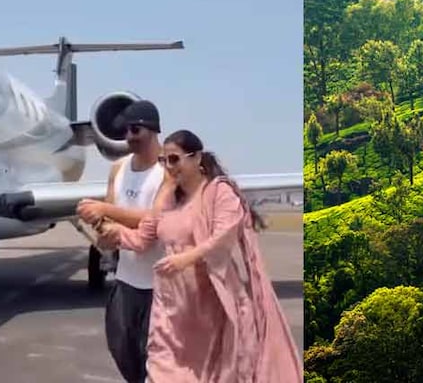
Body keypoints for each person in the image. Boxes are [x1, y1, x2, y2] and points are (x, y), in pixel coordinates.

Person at [100, 129, 302, 382]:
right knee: (161, 371)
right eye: (163, 161)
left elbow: (223, 235)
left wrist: (187, 258)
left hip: (213, 310)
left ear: (196, 158)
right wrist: (114, 232)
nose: (168, 167)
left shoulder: (219, 193)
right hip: (172, 313)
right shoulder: (167, 200)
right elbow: (143, 238)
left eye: (174, 159)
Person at [76, 99, 173, 383]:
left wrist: (105, 211)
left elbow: (155, 218)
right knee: (123, 350)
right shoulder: (118, 168)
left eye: (135, 130)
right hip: (126, 283)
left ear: (153, 130)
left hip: (160, 288)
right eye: (125, 130)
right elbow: (109, 217)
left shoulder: (167, 170)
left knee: (155, 361)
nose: (128, 137)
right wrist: (103, 230)